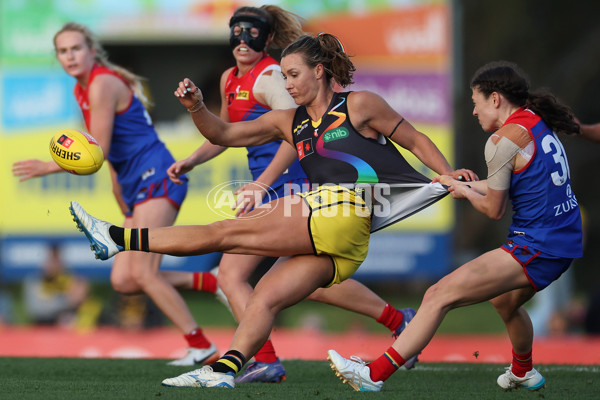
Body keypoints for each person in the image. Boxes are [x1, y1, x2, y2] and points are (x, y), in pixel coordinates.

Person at [68, 32, 474, 389]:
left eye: (294, 75)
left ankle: (116, 239)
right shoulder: (289, 121)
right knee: (263, 298)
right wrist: (196, 107)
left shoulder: (361, 103)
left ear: (319, 71)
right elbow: (224, 133)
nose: (288, 84)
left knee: (222, 233)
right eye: (283, 76)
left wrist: (447, 174)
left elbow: (415, 139)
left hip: (341, 210)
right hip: (346, 241)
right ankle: (225, 370)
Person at [166, 5, 421, 383]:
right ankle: (398, 319)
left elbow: (297, 134)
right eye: (236, 30)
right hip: (273, 187)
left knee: (232, 274)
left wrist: (261, 184)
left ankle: (262, 358)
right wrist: (192, 159)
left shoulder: (270, 77)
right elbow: (228, 133)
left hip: (290, 185)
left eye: (251, 32)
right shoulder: (229, 79)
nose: (242, 39)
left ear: (267, 39)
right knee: (307, 284)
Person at [327, 61, 583, 392]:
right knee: (504, 302)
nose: (474, 112)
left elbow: (493, 208)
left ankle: (373, 375)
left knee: (438, 294)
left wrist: (465, 193)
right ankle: (523, 371)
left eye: (476, 103)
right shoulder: (534, 121)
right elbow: (508, 183)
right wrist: (458, 184)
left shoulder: (500, 141)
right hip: (562, 239)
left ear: (494, 99)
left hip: (539, 245)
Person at [11, 22, 221, 366]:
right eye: (63, 51)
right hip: (134, 186)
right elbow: (104, 154)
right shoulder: (82, 89)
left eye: (76, 48)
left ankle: (202, 346)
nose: (70, 56)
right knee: (124, 280)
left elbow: (96, 151)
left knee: (144, 273)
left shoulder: (101, 84)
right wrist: (115, 185)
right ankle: (212, 282)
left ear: (92, 51)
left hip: (157, 177)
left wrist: (46, 166)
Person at [22, 242, 95, 327]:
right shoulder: (34, 281)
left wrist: (81, 296)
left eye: (56, 259)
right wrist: (67, 301)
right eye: (51, 259)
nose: (53, 264)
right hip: (42, 327)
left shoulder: (69, 278)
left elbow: (81, 300)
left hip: (65, 328)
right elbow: (35, 309)